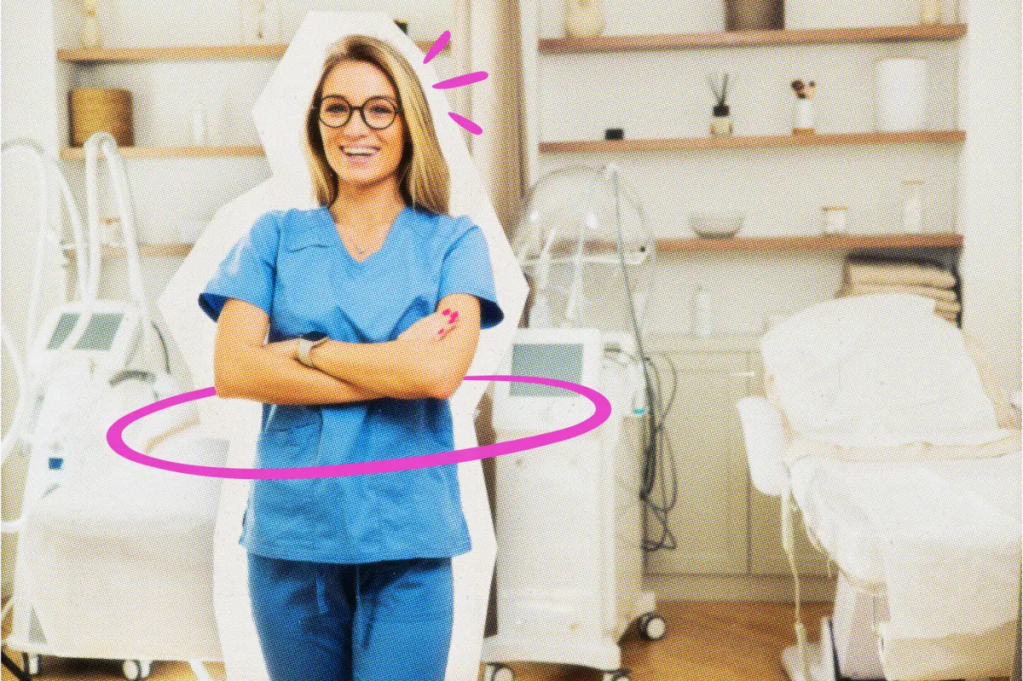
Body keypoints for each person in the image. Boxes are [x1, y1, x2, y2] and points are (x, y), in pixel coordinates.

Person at [197, 33, 504, 681]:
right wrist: (392, 364)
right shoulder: (273, 237)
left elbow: (436, 371)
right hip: (293, 541)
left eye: (378, 109)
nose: (355, 127)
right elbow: (236, 370)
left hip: (409, 539)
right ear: (316, 125)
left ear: (408, 123)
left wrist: (306, 351)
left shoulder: (454, 242)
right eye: (335, 108)